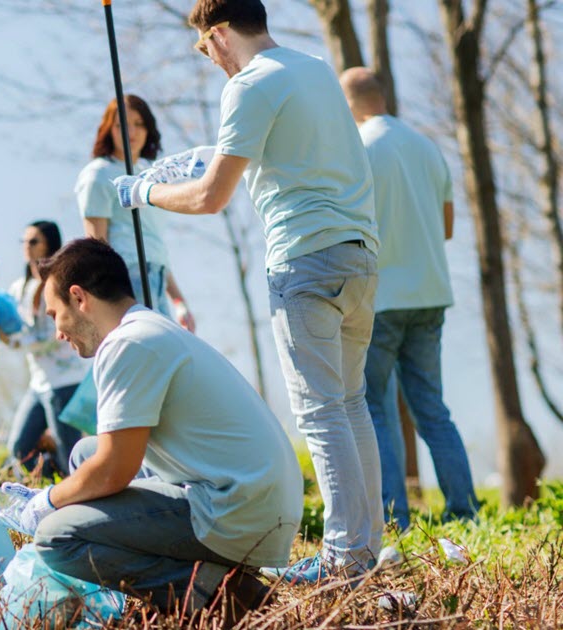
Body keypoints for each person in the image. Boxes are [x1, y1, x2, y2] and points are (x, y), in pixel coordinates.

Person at [114, 0, 382, 583]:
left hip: (304, 260)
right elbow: (297, 153)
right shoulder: (312, 68)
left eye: (203, 47)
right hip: (359, 254)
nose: (207, 59)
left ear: (218, 34)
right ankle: (364, 550)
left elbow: (211, 198)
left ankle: (342, 559)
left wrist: (144, 194)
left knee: (320, 410)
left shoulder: (248, 85)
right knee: (352, 402)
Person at [3, 238, 302, 618]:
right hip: (254, 498)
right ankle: (202, 573)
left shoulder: (128, 344)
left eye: (54, 314)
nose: (58, 332)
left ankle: (214, 591)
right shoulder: (148, 328)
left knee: (57, 538)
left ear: (79, 298)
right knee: (83, 454)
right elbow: (107, 459)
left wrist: (47, 502)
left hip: (238, 511)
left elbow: (114, 470)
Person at [340, 67, 477, 531]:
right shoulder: (427, 147)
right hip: (431, 294)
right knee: (432, 409)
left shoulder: (358, 149)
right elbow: (447, 228)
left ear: (351, 102)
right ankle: (465, 512)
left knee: (374, 405)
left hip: (381, 298)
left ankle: (395, 518)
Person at [75, 95, 194, 330]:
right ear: (109, 129)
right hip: (127, 278)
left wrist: (178, 300)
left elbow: (153, 245)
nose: (132, 131)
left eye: (139, 124)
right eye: (121, 125)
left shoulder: (150, 177)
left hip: (156, 278)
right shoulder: (99, 174)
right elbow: (97, 246)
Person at [2, 220, 86, 478]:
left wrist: (16, 342)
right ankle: (58, 484)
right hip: (38, 383)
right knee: (19, 448)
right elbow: (14, 325)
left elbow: (56, 333)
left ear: (49, 243)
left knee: (70, 452)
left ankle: (80, 496)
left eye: (34, 241)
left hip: (65, 380)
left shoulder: (61, 283)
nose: (26, 247)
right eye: (23, 242)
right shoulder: (19, 288)